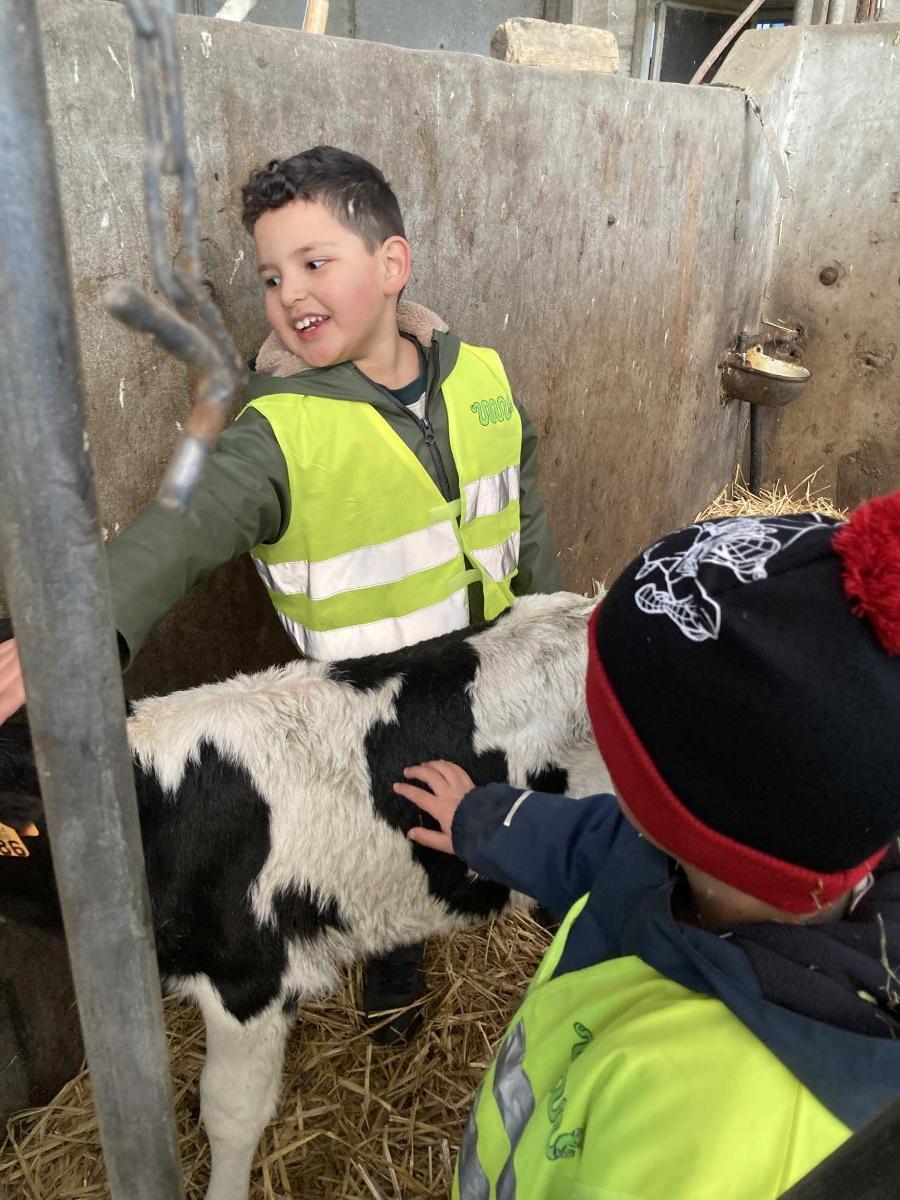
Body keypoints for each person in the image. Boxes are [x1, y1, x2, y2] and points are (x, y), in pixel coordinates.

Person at [0, 145, 561, 1040]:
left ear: (392, 264)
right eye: (270, 277)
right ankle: (396, 981)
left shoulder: (482, 378)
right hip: (380, 718)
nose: (290, 293)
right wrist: (80, 627)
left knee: (525, 810)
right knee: (403, 843)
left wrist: (553, 623)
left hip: (504, 671)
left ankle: (547, 907)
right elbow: (181, 526)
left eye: (313, 263)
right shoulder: (276, 433)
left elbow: (525, 512)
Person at [394, 492, 900, 1197]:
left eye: (613, 740)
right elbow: (600, 846)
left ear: (675, 813)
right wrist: (485, 820)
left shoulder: (707, 1124)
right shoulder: (684, 861)